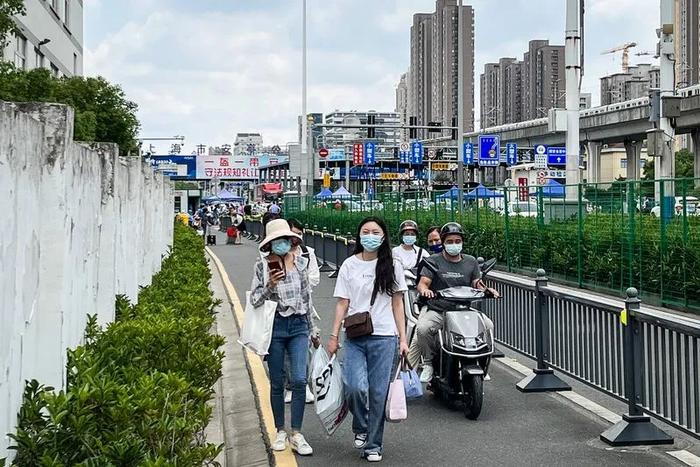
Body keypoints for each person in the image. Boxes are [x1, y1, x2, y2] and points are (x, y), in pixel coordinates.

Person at [327, 217, 409, 463]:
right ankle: (360, 425)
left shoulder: (392, 265)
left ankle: (373, 444)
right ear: (358, 235)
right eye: (366, 231)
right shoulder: (349, 265)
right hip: (355, 335)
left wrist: (403, 339)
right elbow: (343, 302)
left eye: (375, 231)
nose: (370, 235)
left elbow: (397, 304)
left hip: (385, 337)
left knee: (378, 393)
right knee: (354, 387)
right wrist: (333, 336)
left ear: (383, 236)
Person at [250, 219, 314, 456]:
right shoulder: (262, 266)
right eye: (277, 241)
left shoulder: (301, 264)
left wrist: (312, 330)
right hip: (275, 327)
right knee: (277, 382)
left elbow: (307, 298)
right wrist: (269, 285)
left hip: (298, 326)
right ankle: (280, 430)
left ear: (292, 241)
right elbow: (255, 299)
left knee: (299, 379)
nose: (282, 244)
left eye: (285, 240)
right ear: (269, 244)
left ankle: (296, 432)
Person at [414, 222, 498, 383]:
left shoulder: (471, 261)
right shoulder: (433, 261)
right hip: (439, 310)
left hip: (464, 310)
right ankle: (429, 363)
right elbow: (423, 282)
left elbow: (477, 283)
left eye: (457, 241)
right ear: (443, 242)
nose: (454, 245)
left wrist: (488, 290)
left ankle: (482, 363)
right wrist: (425, 290)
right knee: (423, 329)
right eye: (450, 241)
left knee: (488, 326)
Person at [284, 218, 321, 405]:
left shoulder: (308, 253)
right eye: (293, 233)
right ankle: (289, 385)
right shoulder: (277, 253)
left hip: (304, 304)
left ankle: (302, 384)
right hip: (282, 307)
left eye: (299, 233)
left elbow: (314, 277)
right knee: (284, 350)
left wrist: (300, 280)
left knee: (304, 346)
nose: (296, 237)